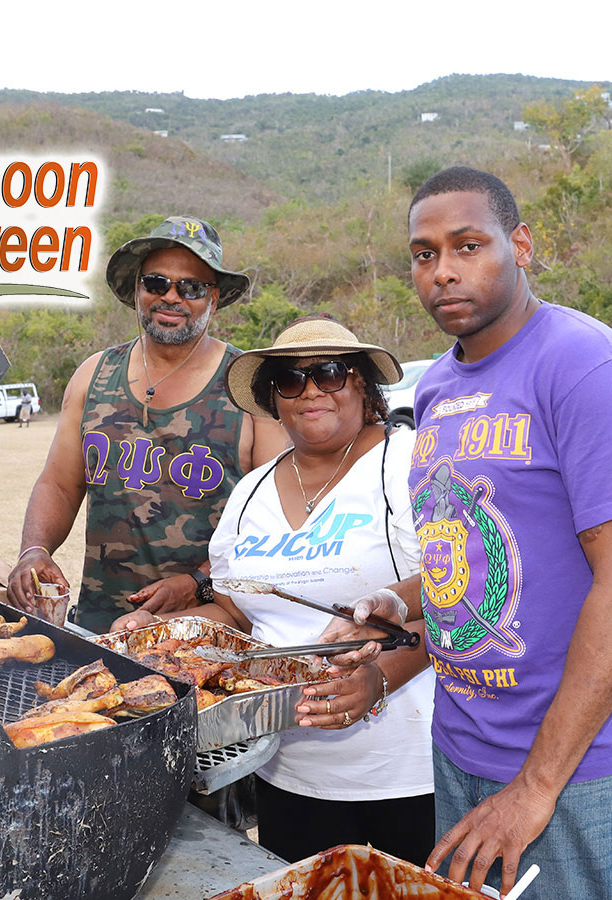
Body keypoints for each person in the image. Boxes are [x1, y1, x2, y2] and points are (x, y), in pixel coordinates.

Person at [326, 167, 612, 898]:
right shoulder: (438, 388)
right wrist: (404, 599)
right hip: (462, 749)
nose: (444, 272)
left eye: (468, 245)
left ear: (520, 245)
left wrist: (535, 788)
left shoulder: (587, 367)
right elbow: (487, 550)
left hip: (577, 767)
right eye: (425, 254)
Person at [113, 316, 437, 866]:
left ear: (361, 384)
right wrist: (158, 633)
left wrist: (379, 680)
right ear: (273, 399)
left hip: (405, 774)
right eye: (290, 380)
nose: (310, 391)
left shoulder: (409, 463)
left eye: (330, 374)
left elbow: (462, 599)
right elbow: (236, 613)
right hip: (286, 772)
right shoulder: (250, 495)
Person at [8, 216, 286, 632]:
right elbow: (59, 484)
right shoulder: (94, 375)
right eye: (156, 283)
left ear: (214, 297)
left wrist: (199, 584)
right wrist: (33, 550)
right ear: (138, 289)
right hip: (101, 627)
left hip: (204, 637)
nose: (170, 297)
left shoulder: (249, 387)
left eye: (190, 287)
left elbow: (276, 522)